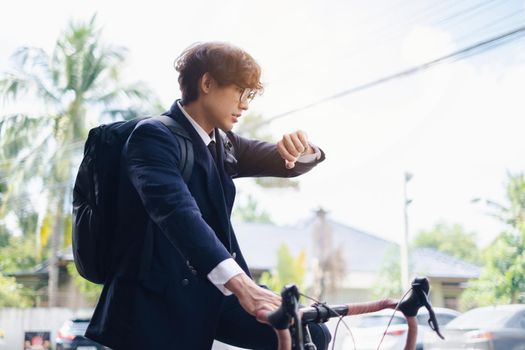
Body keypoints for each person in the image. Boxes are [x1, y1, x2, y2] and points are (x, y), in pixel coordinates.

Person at [86, 42, 329, 349]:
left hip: (212, 290)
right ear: (207, 83)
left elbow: (284, 162)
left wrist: (305, 150)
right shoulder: (152, 136)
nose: (245, 104)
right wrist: (241, 284)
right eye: (240, 91)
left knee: (310, 333)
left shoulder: (224, 144)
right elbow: (177, 213)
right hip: (157, 301)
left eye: (250, 95)